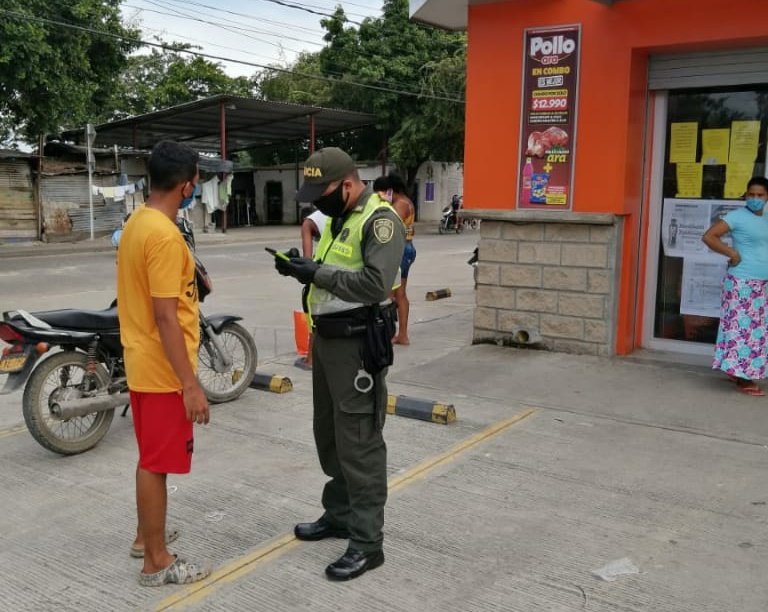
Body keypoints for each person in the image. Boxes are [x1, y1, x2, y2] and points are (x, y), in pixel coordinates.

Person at [274, 147, 405, 581]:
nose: (317, 202)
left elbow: (374, 284)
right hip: (328, 342)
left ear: (348, 185)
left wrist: (316, 274)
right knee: (329, 434)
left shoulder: (380, 221)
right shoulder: (338, 218)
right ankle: (341, 514)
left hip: (357, 346)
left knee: (360, 443)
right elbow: (328, 271)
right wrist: (301, 268)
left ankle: (368, 543)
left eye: (322, 192)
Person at [117, 140, 212, 586]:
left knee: (149, 458)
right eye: (196, 181)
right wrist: (189, 384)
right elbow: (165, 316)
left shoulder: (138, 221)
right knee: (156, 463)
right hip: (161, 371)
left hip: (143, 362)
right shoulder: (164, 235)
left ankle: (144, 536)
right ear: (187, 184)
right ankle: (156, 560)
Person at [702, 176, 768, 397]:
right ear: (746, 195)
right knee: (743, 331)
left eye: (760, 195)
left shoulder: (767, 217)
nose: (755, 199)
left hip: (762, 284)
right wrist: (731, 253)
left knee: (756, 331)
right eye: (751, 194)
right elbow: (709, 236)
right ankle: (742, 378)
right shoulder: (737, 217)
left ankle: (736, 370)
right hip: (742, 283)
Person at [374, 174, 416, 345]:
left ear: (389, 190)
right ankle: (399, 333)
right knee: (395, 293)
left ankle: (401, 334)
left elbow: (388, 226)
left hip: (401, 250)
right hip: (406, 248)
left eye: (380, 193)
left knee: (397, 294)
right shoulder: (407, 201)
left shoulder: (400, 204)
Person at [296, 208, 328, 368]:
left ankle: (310, 359)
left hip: (324, 273)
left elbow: (307, 263)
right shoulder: (336, 214)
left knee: (313, 310)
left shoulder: (307, 224)